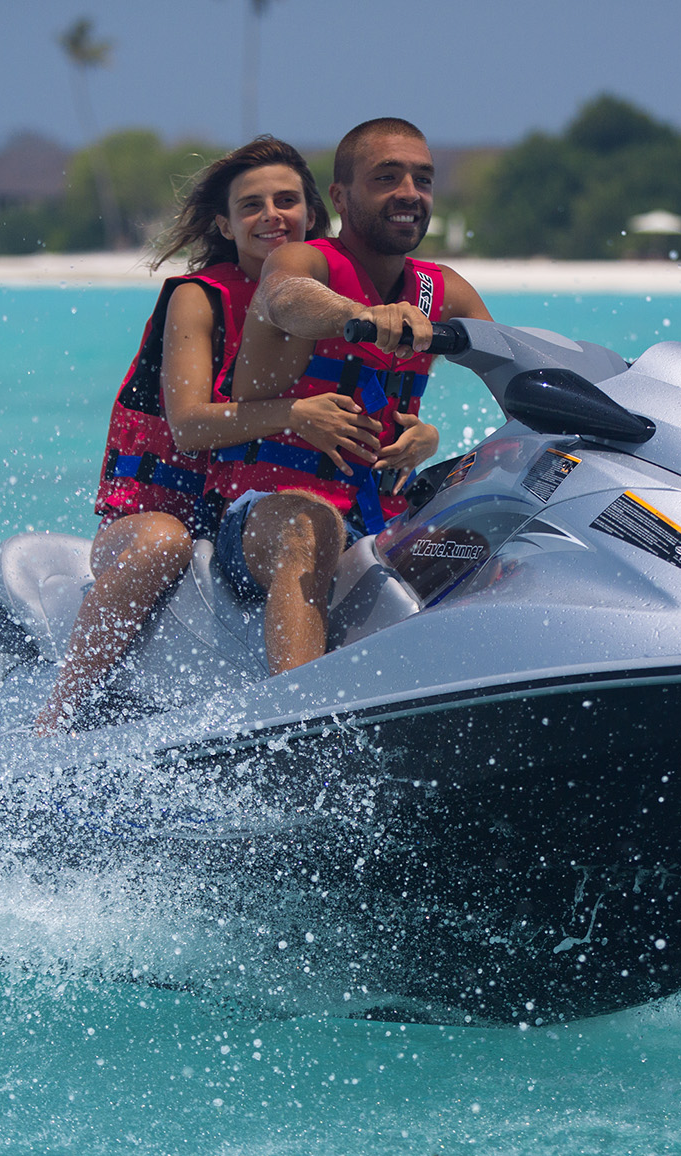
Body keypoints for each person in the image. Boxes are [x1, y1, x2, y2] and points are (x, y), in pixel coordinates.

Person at [35, 137, 397, 733]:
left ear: (313, 215)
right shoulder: (200, 298)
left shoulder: (334, 301)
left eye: (287, 201)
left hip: (250, 510)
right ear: (226, 226)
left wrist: (414, 438)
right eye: (251, 206)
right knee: (163, 544)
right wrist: (294, 414)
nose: (272, 215)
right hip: (157, 512)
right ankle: (59, 714)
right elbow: (191, 425)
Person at [219, 117, 494, 676]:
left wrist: (429, 433)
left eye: (423, 179)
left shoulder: (442, 289)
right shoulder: (305, 263)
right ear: (342, 196)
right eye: (387, 177)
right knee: (309, 525)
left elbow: (511, 364)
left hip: (379, 517)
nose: (409, 194)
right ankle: (295, 729)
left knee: (495, 532)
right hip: (263, 515)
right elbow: (285, 299)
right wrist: (361, 316)